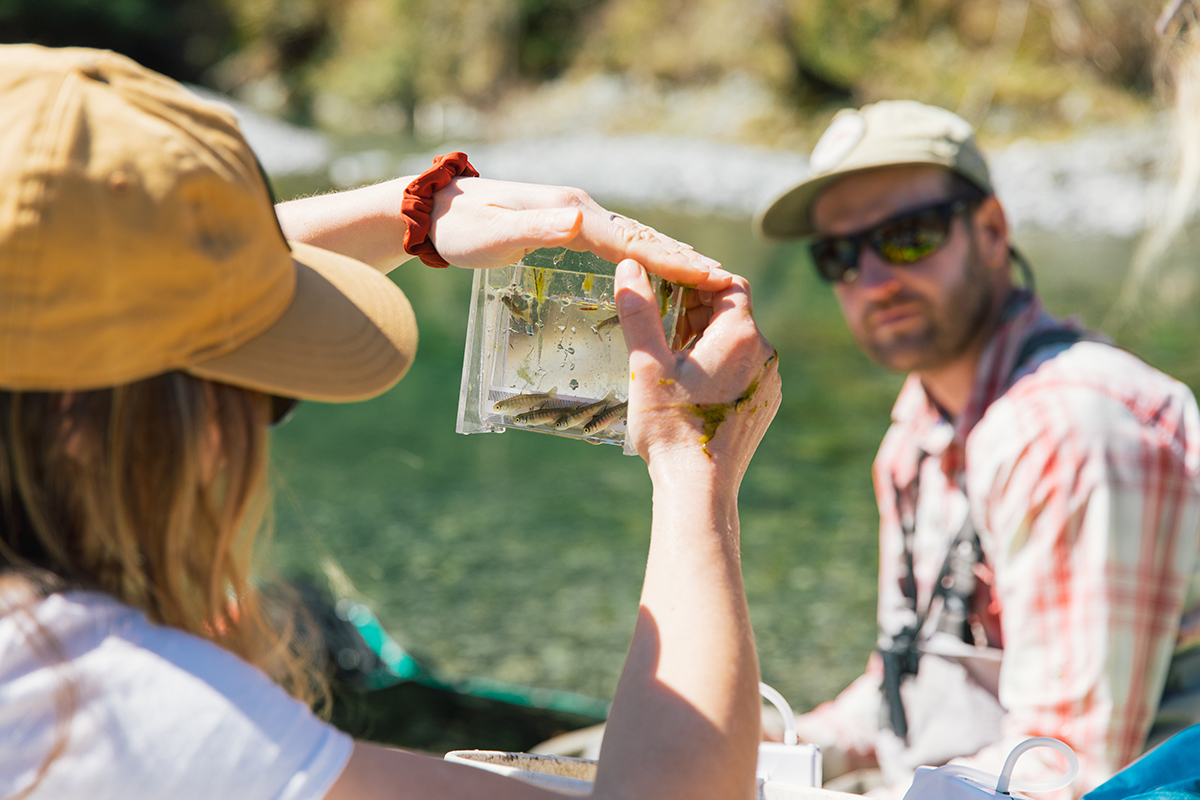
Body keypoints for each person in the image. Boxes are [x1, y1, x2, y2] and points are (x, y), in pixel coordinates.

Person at [0, 44, 782, 800]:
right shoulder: (100, 703)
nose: (246, 435)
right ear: (77, 425)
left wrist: (420, 209)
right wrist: (694, 459)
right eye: (262, 394)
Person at [755, 99, 1200, 798]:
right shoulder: (915, 435)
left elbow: (1066, 762)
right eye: (839, 255)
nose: (873, 279)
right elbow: (904, 688)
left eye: (908, 236)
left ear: (992, 229)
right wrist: (785, 747)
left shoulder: (1071, 430)